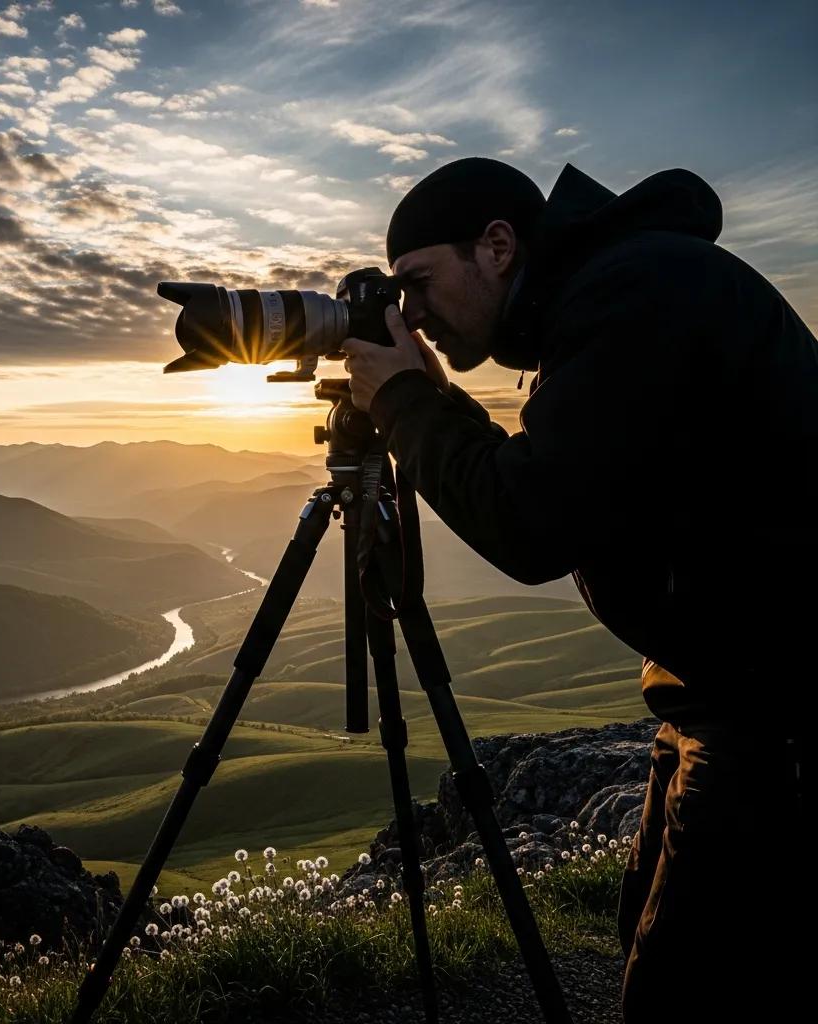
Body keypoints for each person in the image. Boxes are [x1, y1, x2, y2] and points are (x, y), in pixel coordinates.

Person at [341, 157, 815, 1022]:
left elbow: (531, 524)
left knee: (688, 989)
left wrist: (407, 401)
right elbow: (571, 484)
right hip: (722, 689)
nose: (410, 314)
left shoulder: (633, 295)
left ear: (496, 246)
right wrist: (424, 402)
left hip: (776, 706)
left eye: (418, 283)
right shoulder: (619, 291)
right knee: (654, 935)